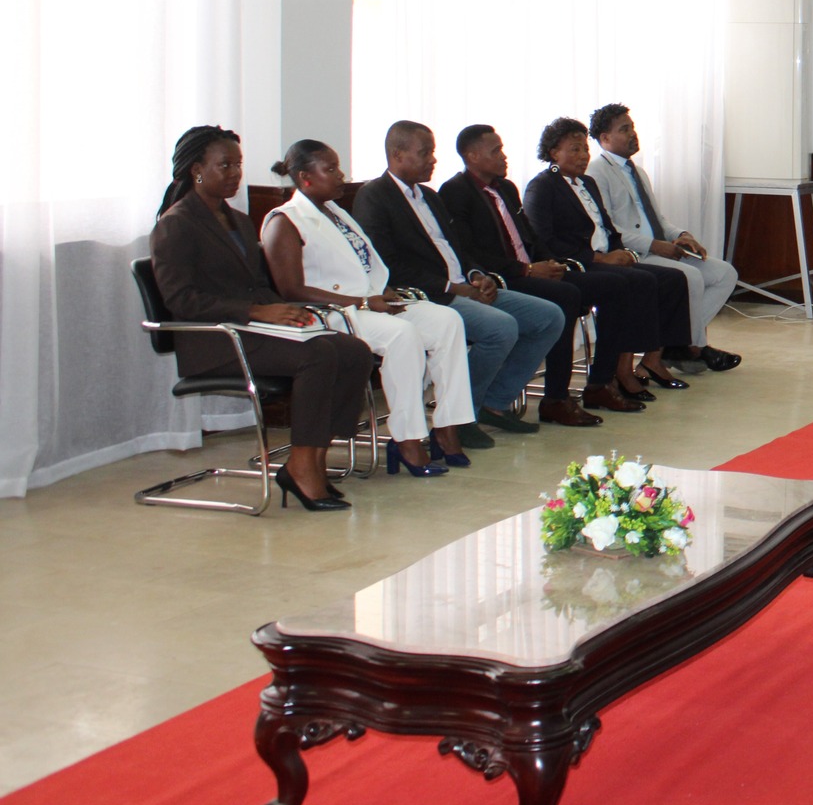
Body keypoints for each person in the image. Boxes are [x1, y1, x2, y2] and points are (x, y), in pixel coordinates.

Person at [148, 126, 374, 512]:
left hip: (251, 329)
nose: (236, 173)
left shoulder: (235, 219)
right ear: (196, 170)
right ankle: (301, 469)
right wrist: (256, 312)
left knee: (352, 350)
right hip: (215, 341)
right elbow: (181, 300)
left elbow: (255, 284)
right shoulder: (176, 224)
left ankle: (314, 458)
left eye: (238, 164)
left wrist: (288, 313)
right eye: (225, 165)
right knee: (318, 356)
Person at [260, 140, 471, 475]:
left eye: (338, 166)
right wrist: (360, 301)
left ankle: (447, 426)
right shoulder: (284, 220)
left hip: (370, 304)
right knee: (402, 336)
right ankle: (407, 440)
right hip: (333, 315)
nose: (340, 175)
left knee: (448, 321)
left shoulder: (338, 212)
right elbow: (291, 289)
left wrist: (384, 292)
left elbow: (364, 266)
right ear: (305, 177)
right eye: (330, 169)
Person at [350, 121, 564, 442]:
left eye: (433, 153)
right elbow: (388, 266)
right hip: (430, 296)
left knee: (549, 317)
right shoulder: (374, 197)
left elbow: (459, 248)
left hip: (466, 287)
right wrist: (451, 287)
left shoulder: (431, 197)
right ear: (397, 155)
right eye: (425, 153)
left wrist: (480, 276)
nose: (433, 160)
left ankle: (493, 402)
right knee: (501, 328)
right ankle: (460, 419)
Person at [439, 123, 639, 424]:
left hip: (532, 270)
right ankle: (556, 398)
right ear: (472, 156)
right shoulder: (455, 192)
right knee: (567, 296)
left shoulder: (506, 188)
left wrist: (550, 263)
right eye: (496, 151)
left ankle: (600, 382)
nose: (504, 156)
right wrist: (528, 270)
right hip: (504, 278)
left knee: (617, 286)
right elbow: (468, 253)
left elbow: (530, 236)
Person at [521, 116, 694, 407]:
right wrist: (600, 258)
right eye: (574, 150)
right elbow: (545, 243)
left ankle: (652, 360)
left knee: (671, 278)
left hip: (603, 259)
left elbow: (607, 228)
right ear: (554, 153)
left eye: (584, 149)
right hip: (574, 266)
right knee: (631, 283)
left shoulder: (587, 182)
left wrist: (620, 251)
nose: (583, 155)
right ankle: (607, 377)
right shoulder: (542, 187)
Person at [585, 103, 741, 375]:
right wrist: (654, 245)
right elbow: (610, 229)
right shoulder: (597, 172)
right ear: (605, 138)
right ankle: (693, 349)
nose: (633, 134)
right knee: (689, 276)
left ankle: (677, 344)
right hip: (635, 253)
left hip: (660, 248)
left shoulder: (637, 171)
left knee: (724, 273)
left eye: (632, 127)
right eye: (624, 129)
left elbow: (657, 219)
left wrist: (680, 235)